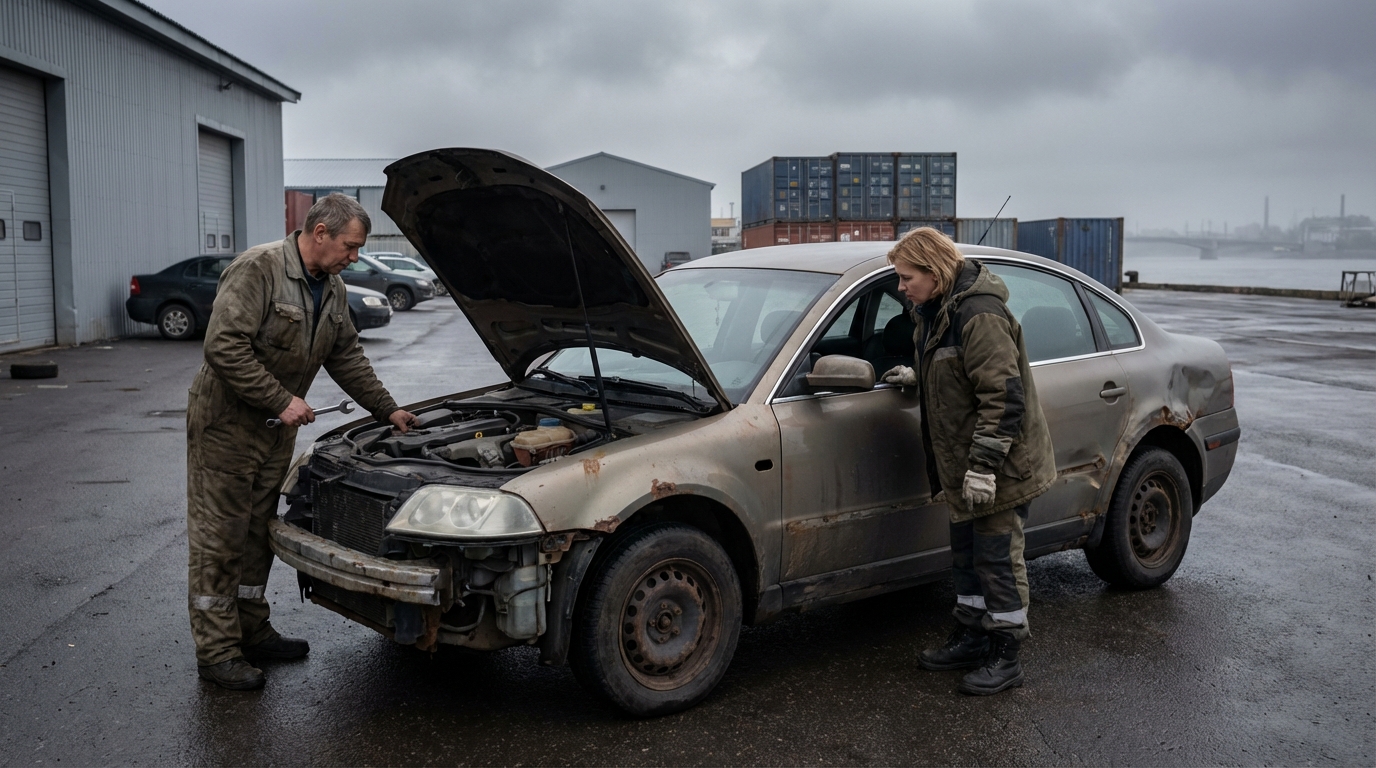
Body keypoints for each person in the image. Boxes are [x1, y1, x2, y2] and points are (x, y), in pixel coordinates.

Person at [186, 193, 419, 690]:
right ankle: (217, 652)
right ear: (319, 234)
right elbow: (222, 345)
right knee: (220, 538)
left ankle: (252, 631)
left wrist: (389, 408)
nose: (354, 257)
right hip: (227, 426)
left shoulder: (330, 288)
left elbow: (347, 355)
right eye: (350, 246)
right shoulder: (259, 269)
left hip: (274, 432)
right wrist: (280, 399)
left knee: (257, 533)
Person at [881, 227, 1056, 696]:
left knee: (997, 559)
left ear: (934, 272)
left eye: (906, 277)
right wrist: (917, 374)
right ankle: (973, 637)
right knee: (967, 556)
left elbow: (1002, 396)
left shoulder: (979, 314)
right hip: (964, 467)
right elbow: (957, 368)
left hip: (998, 468)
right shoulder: (935, 310)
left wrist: (983, 467)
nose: (901, 287)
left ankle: (1006, 654)